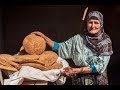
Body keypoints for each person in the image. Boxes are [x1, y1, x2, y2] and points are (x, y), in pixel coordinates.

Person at [31, 11, 113, 85]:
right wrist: (44, 37)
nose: (93, 26)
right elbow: (59, 47)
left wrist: (75, 70)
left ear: (101, 24)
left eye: (96, 23)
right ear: (86, 23)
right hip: (79, 81)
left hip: (98, 81)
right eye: (90, 22)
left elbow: (99, 66)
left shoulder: (105, 42)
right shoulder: (78, 39)